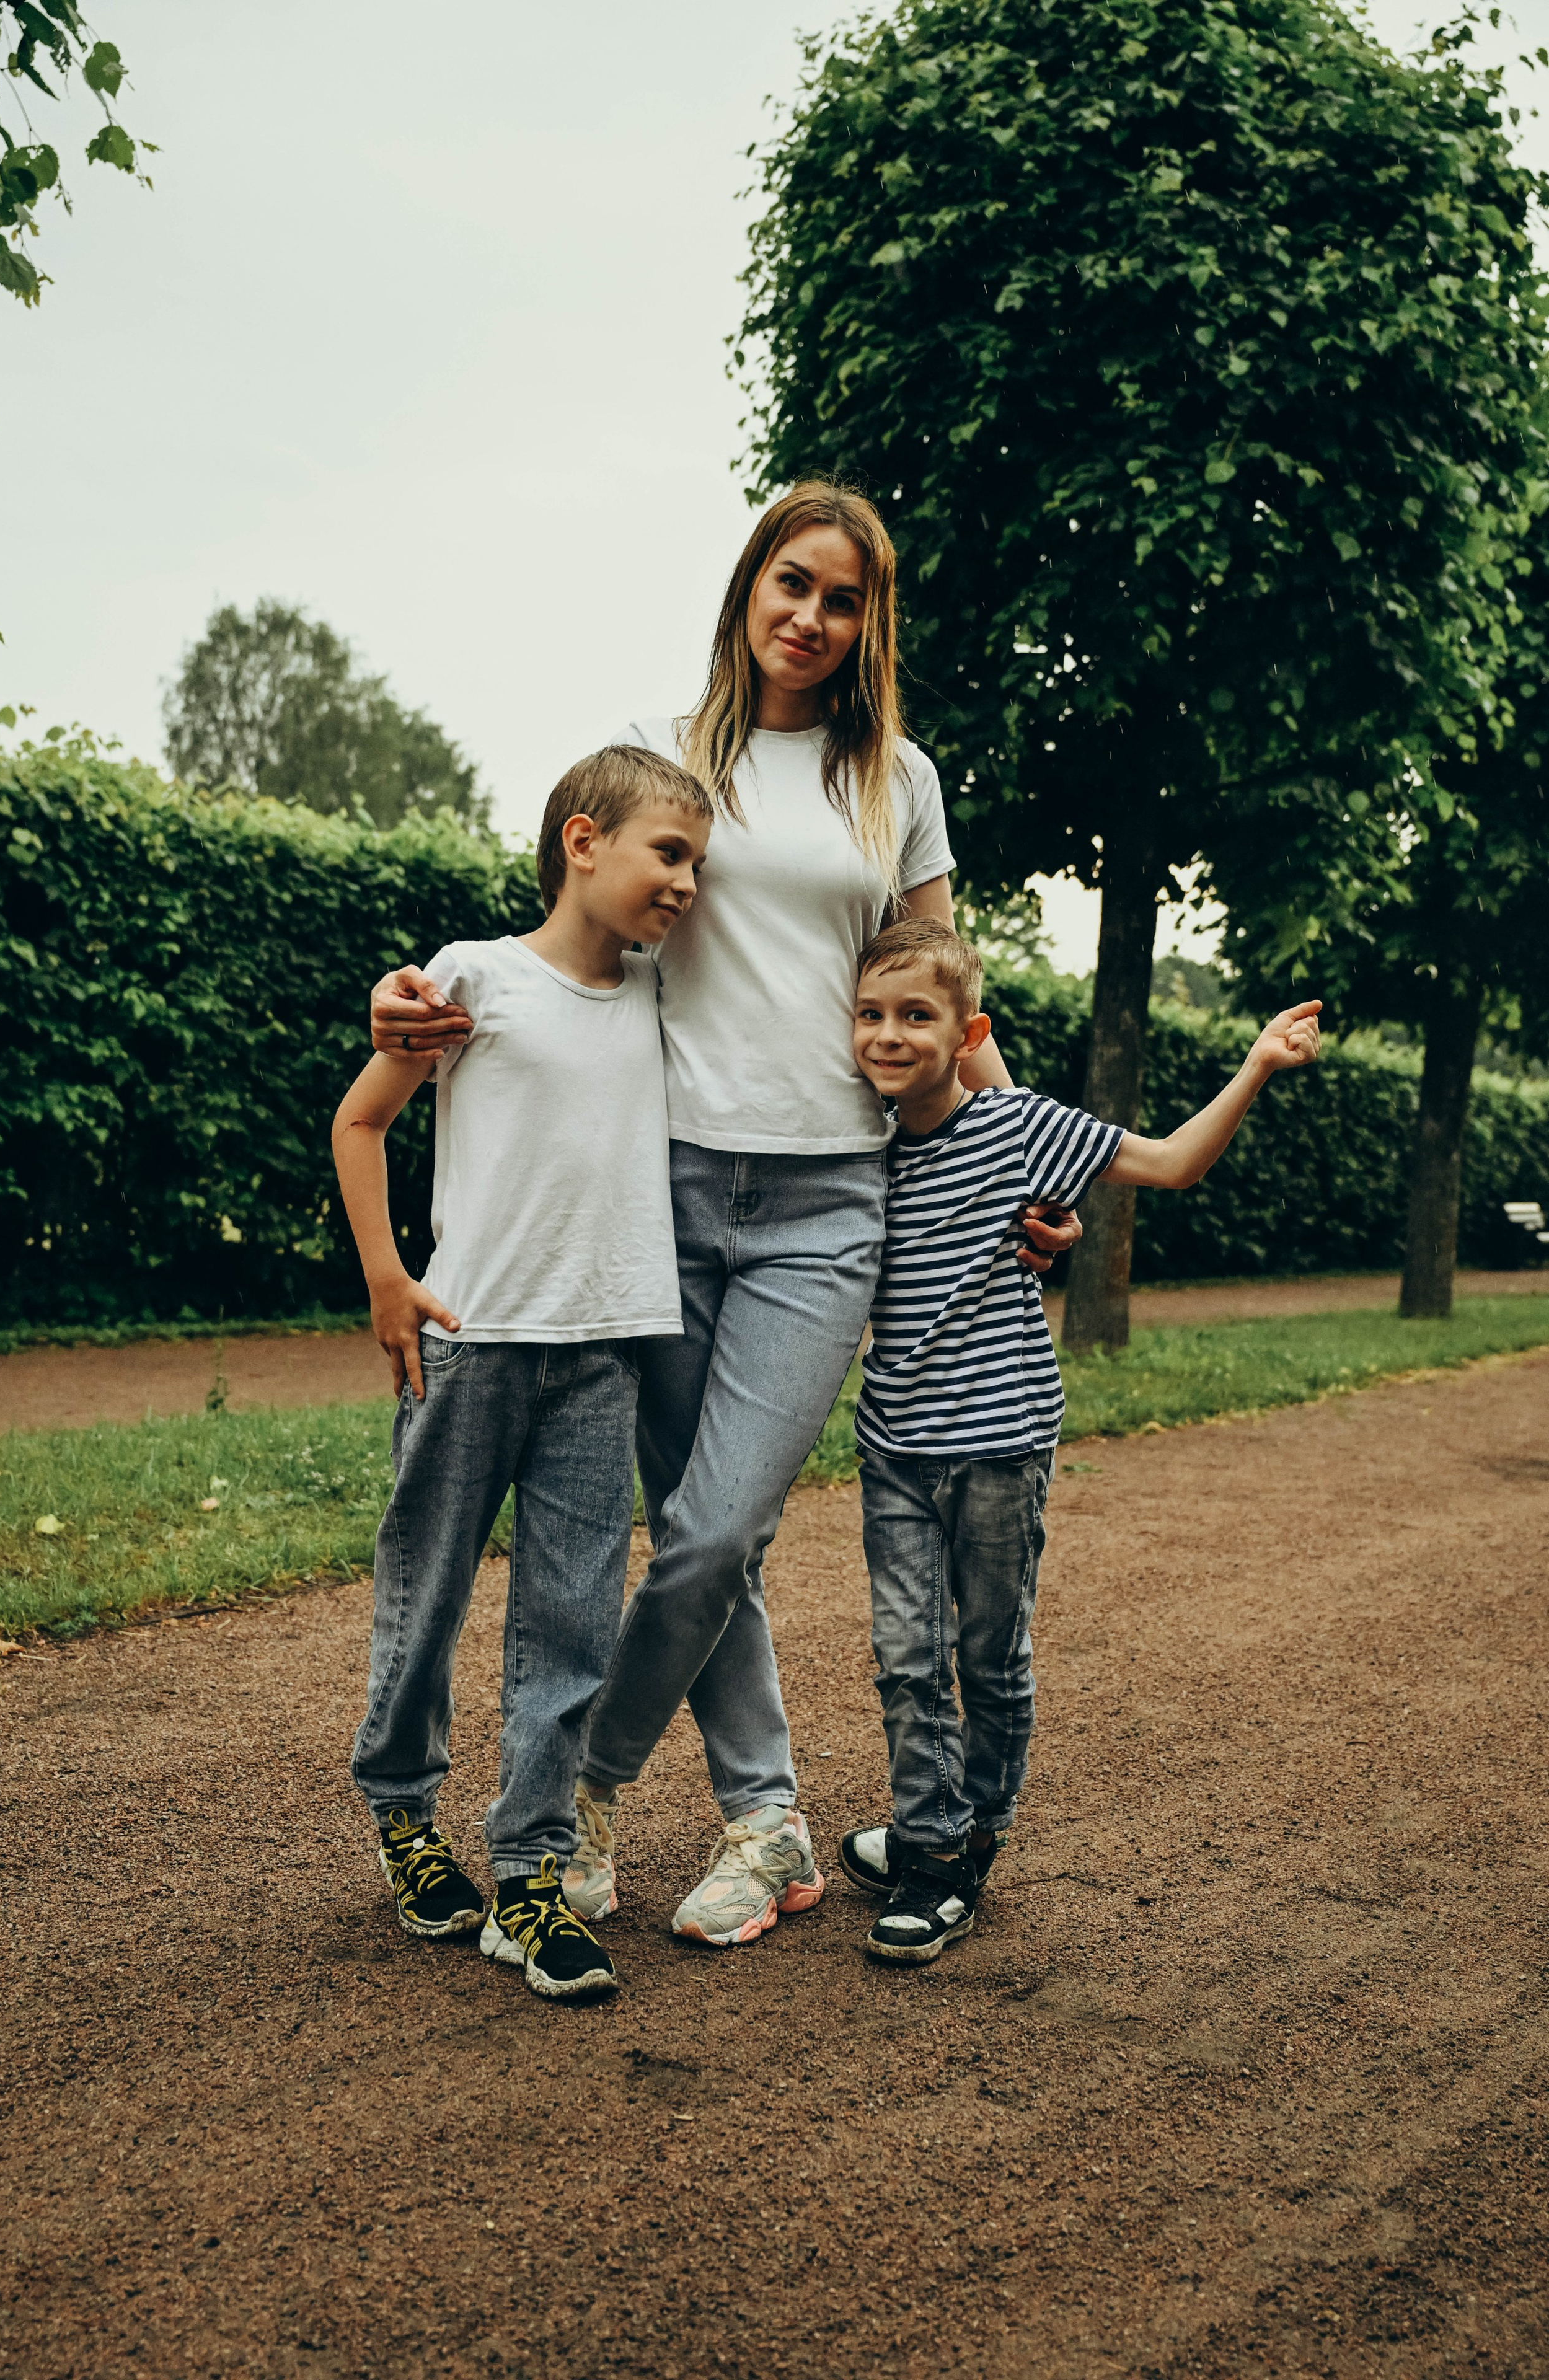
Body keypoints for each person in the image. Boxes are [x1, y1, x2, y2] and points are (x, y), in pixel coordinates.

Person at [367, 482, 1083, 1950]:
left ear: (867, 623)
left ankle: (581, 1797)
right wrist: (408, 1003)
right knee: (707, 1542)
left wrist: (1021, 1164)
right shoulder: (671, 749)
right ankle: (766, 1823)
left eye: (842, 599)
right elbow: (582, 934)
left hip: (831, 1197)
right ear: (747, 585)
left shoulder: (900, 781)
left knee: (709, 1529)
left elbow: (941, 990)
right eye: (790, 584)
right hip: (664, 1186)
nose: (810, 619)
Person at [839, 917, 1322, 1963]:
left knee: (987, 1653)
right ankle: (930, 1846)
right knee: (906, 1658)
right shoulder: (851, 1147)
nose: (887, 1035)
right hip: (895, 1448)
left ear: (970, 1032)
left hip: (1003, 1445)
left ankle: (977, 1830)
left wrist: (1254, 1064)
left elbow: (1175, 1165)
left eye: (916, 1015)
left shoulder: (1020, 1129)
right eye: (869, 1014)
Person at [332, 744, 713, 1998]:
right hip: (470, 1343)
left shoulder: (668, 993)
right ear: (582, 841)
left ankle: (531, 1880)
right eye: (669, 853)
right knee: (425, 1594)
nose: (686, 884)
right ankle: (400, 1810)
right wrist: (388, 1277)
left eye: (698, 865)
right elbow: (360, 1118)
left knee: (568, 1630)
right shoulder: (473, 977)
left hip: (599, 1354)